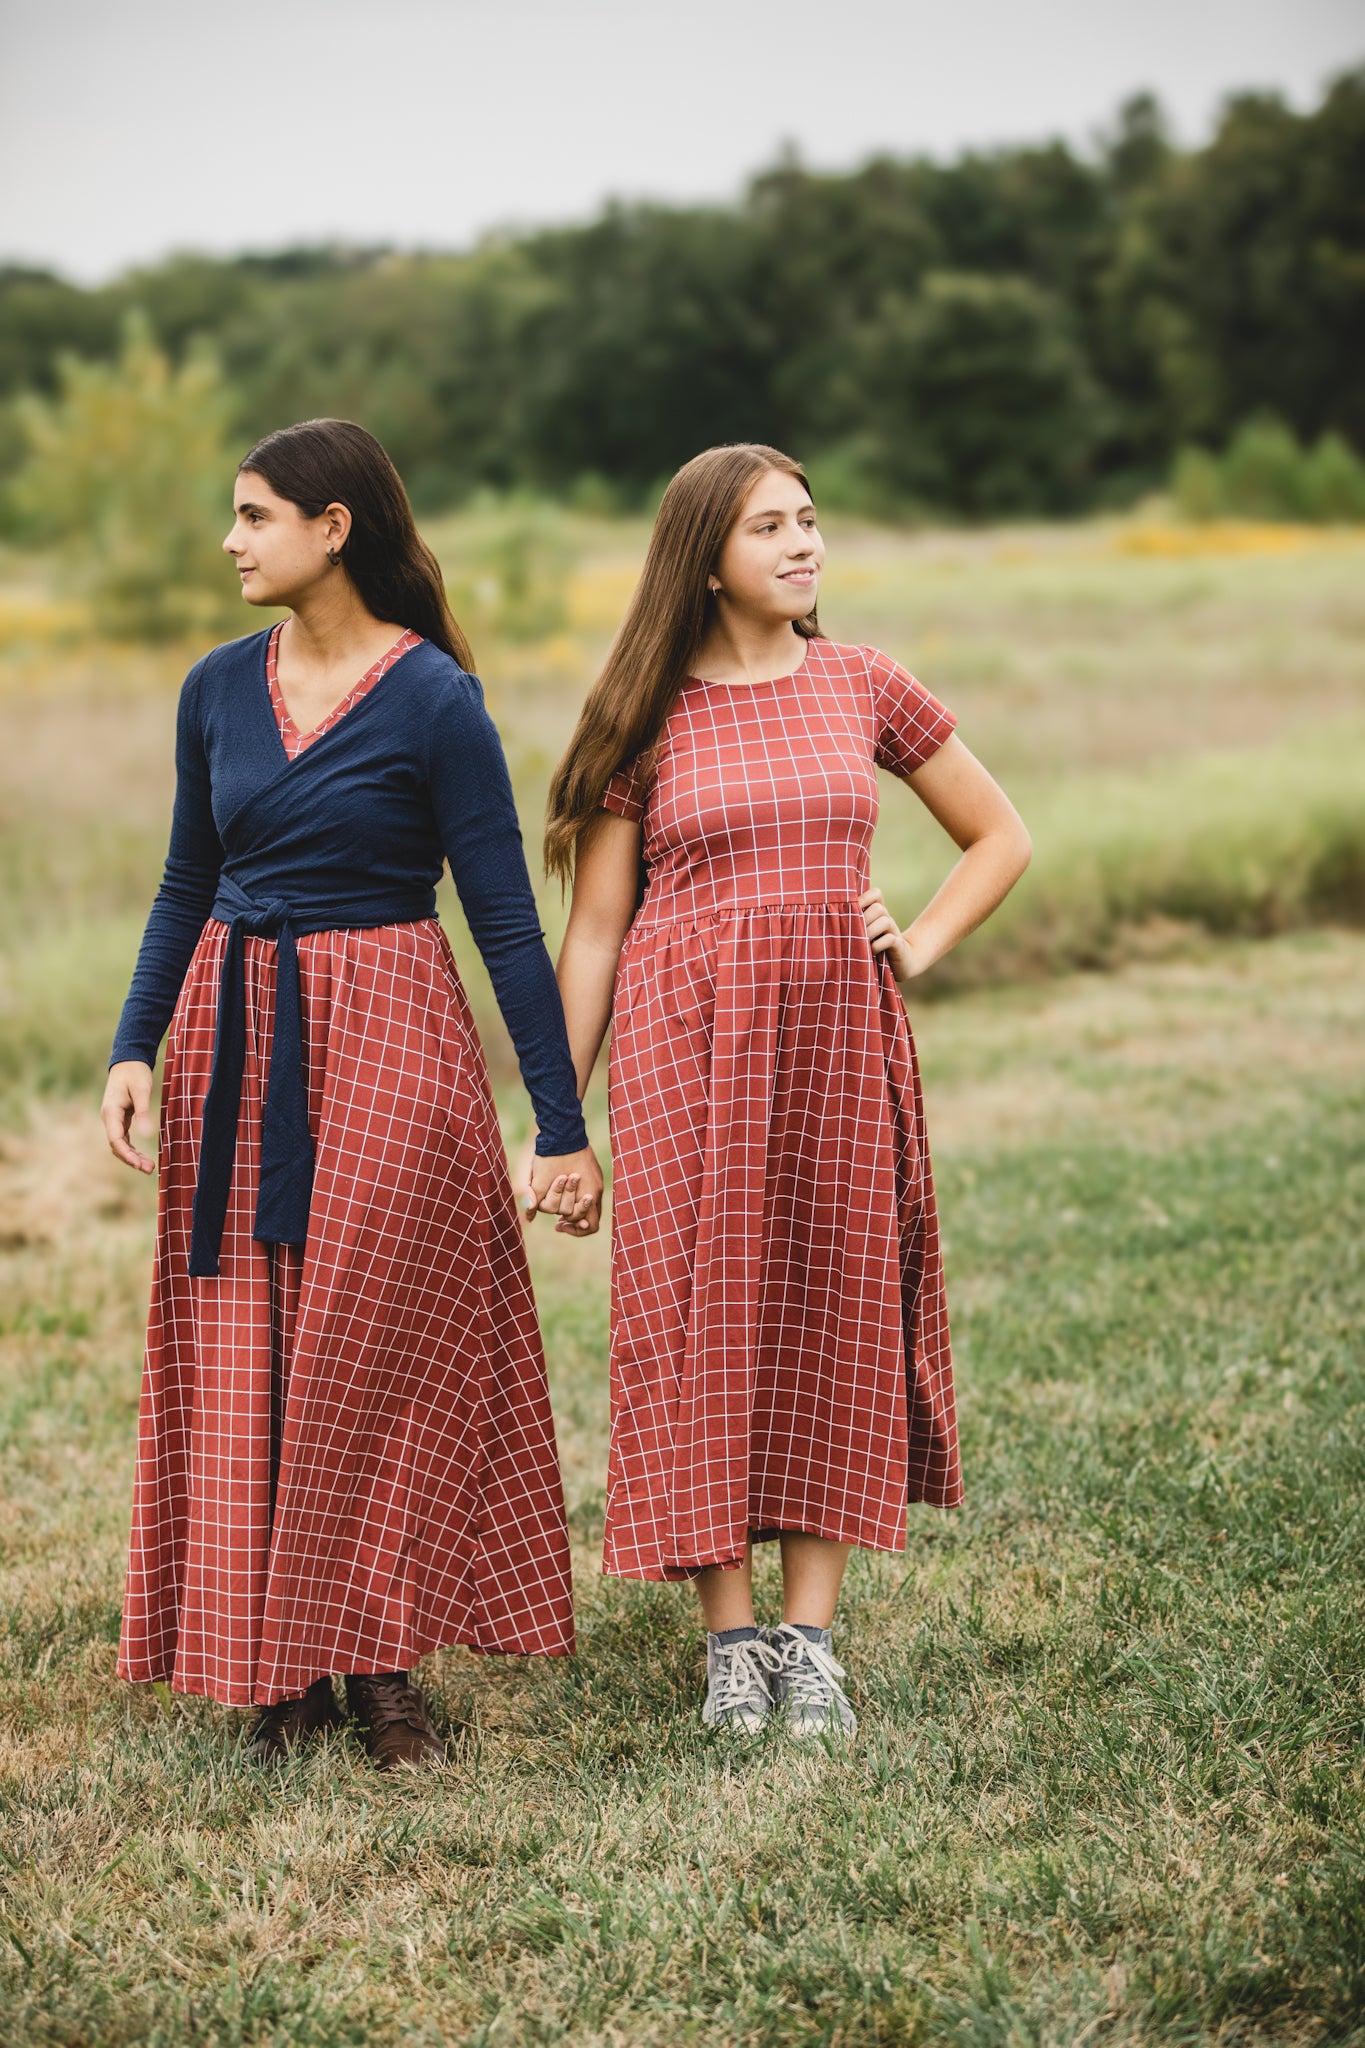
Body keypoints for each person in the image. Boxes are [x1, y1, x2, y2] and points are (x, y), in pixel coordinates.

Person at [102, 418, 602, 1770]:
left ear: (334, 527)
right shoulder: (216, 687)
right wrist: (133, 1042)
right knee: (250, 1341)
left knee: (363, 1344)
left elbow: (501, 920)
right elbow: (183, 880)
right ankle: (282, 1675)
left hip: (389, 1029)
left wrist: (557, 1123)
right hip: (232, 1023)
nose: (229, 541)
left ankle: (380, 1667)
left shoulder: (435, 698)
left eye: (254, 515)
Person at [543, 444, 1030, 1738]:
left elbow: (1000, 835)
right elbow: (595, 931)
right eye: (770, 527)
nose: (803, 544)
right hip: (684, 1047)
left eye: (809, 521)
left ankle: (808, 1639)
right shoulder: (643, 717)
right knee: (695, 1319)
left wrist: (912, 943)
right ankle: (728, 1641)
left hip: (833, 1040)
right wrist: (555, 1115)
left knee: (833, 1307)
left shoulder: (863, 685)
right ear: (705, 559)